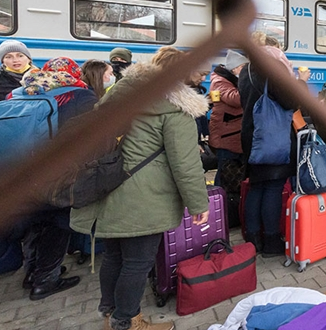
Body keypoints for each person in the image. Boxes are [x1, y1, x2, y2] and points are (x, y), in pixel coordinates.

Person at [70, 47, 209, 330]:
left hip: (107, 187)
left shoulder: (118, 93)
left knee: (114, 256)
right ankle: (127, 321)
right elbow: (185, 164)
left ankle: (110, 313)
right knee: (137, 262)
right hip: (143, 197)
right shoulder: (175, 108)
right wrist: (198, 204)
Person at [12, 58, 96, 301]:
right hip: (59, 173)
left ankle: (31, 273)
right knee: (58, 224)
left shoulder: (22, 92)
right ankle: (46, 280)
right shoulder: (80, 95)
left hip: (23, 169)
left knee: (34, 222)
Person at [239, 46, 301, 255]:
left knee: (256, 186)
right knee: (273, 188)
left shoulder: (246, 70)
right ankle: (271, 240)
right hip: (273, 138)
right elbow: (291, 102)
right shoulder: (273, 70)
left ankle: (252, 238)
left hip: (252, 136)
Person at [209, 50, 248, 188]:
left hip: (232, 135)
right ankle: (220, 198)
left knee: (233, 175)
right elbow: (235, 99)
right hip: (226, 137)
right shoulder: (220, 81)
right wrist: (246, 82)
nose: (245, 71)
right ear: (235, 68)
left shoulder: (229, 80)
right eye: (243, 67)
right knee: (225, 175)